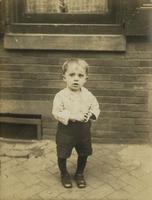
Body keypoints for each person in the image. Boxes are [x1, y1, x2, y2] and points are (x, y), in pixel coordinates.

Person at [52, 58, 100, 188]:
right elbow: (56, 112)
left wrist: (90, 115)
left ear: (85, 79)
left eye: (80, 75)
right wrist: (72, 116)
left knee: (84, 152)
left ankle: (79, 173)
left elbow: (95, 107)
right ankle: (64, 174)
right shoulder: (60, 96)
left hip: (83, 131)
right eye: (72, 75)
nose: (76, 79)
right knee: (62, 153)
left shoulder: (88, 95)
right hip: (66, 131)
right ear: (64, 78)